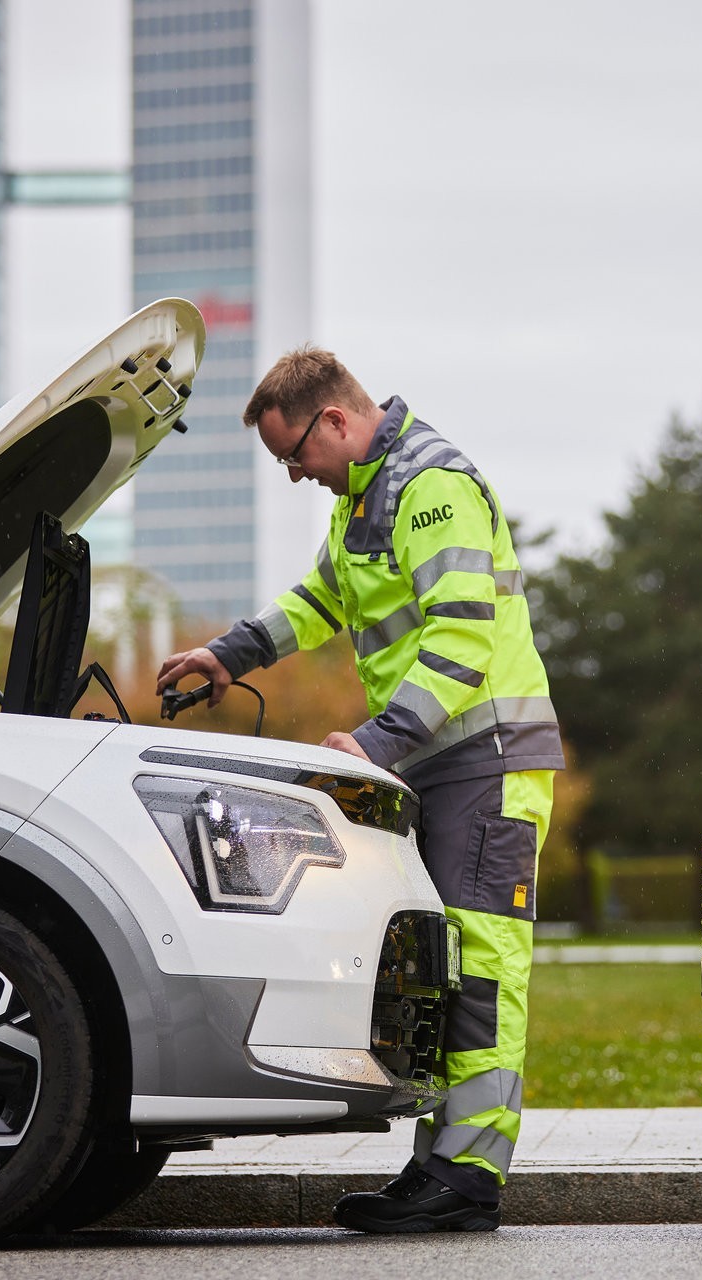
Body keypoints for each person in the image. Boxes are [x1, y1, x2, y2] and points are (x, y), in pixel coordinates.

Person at [156, 347, 562, 1233]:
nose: (297, 474)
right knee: (442, 971)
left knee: (483, 970)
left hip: (486, 762)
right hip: (437, 764)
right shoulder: (363, 500)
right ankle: (440, 1167)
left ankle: (468, 1177)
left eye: (294, 454)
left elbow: (462, 636)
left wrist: (379, 743)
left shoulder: (434, 487)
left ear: (334, 421)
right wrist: (228, 655)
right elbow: (320, 600)